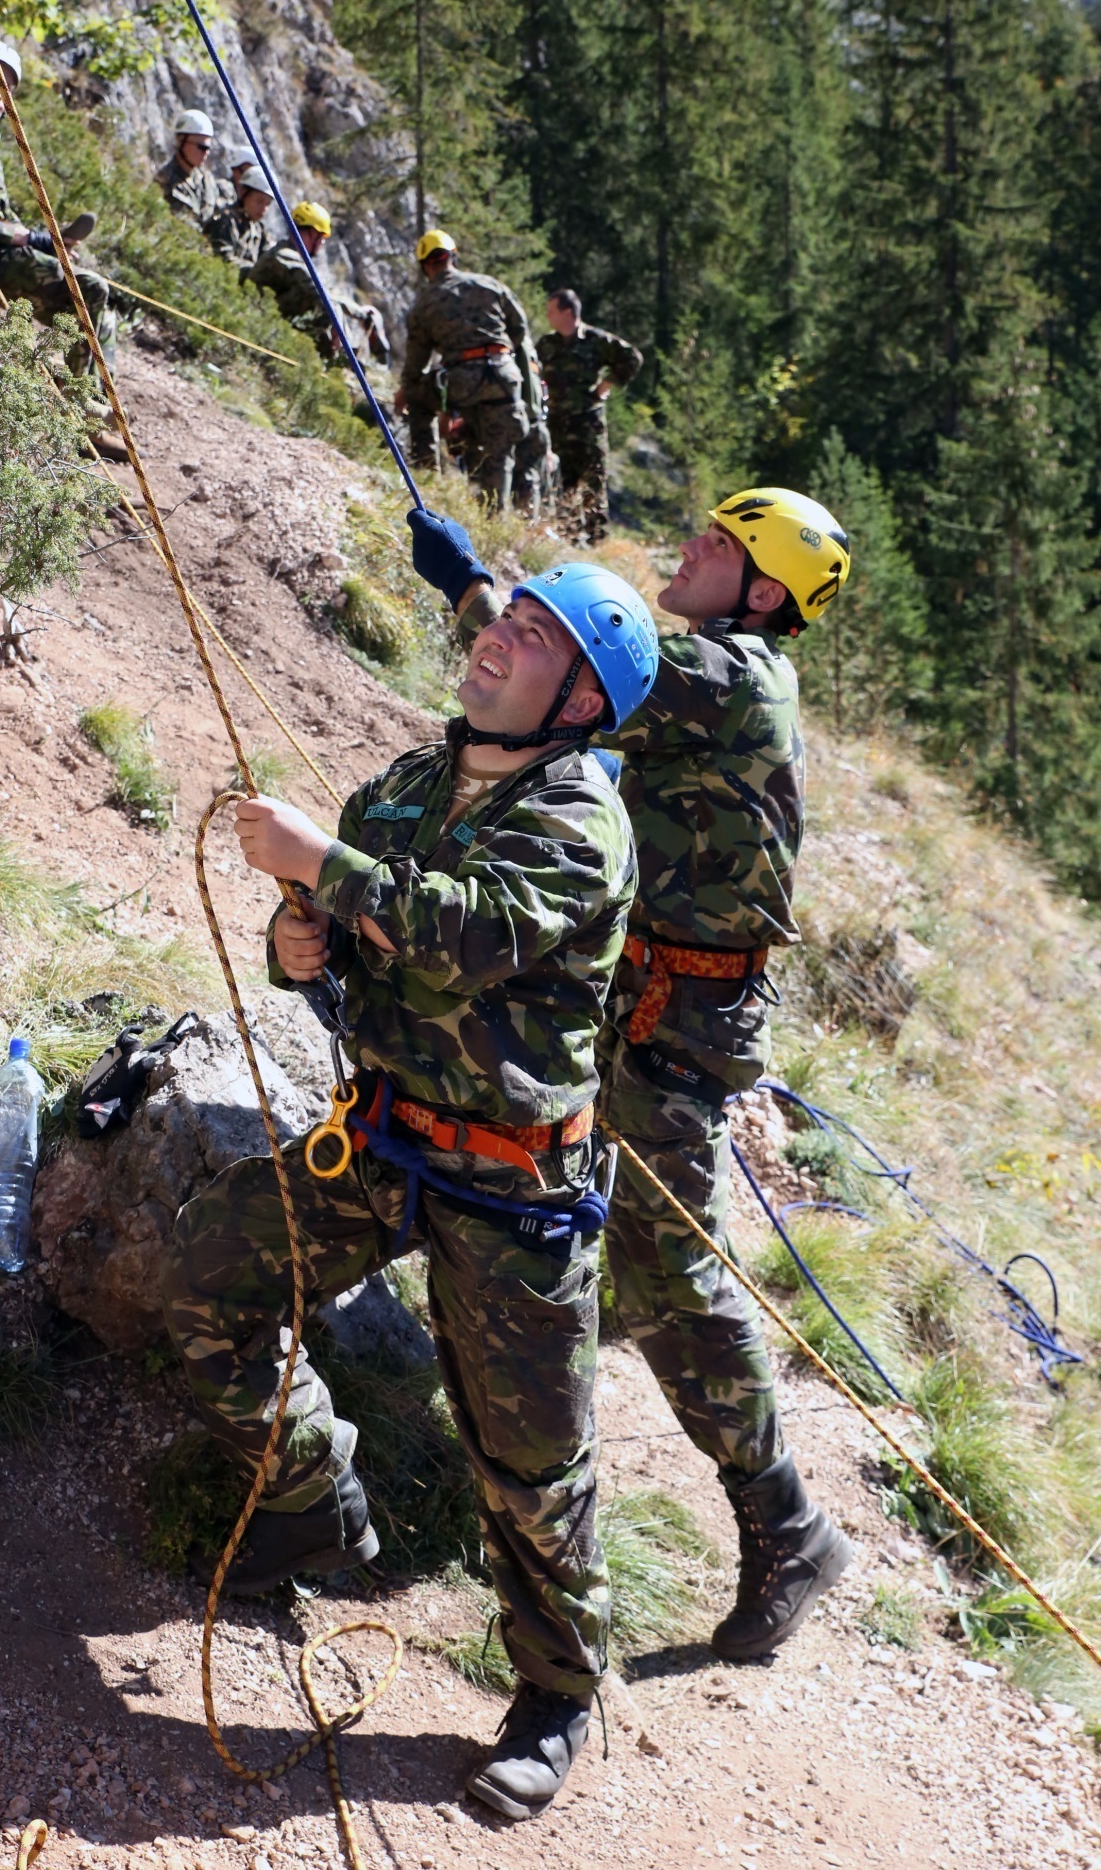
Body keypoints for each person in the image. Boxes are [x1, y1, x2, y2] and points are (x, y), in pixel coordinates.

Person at [163, 563, 661, 1823]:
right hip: (384, 1138)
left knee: (532, 1464)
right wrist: (298, 950)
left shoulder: (577, 821)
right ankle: (309, 1495)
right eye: (506, 616)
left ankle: (555, 1690)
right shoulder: (403, 787)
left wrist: (321, 868)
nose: (498, 637)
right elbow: (349, 963)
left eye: (537, 636)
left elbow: (456, 934)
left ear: (579, 700)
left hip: (511, 1187)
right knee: (210, 1270)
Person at [405, 489, 856, 1663]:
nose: (692, 546)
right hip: (648, 998)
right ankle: (540, 1441)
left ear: (762, 592)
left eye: (722, 545)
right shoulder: (717, 669)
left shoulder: (736, 673)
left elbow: (608, 669)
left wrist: (477, 594)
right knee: (615, 1241)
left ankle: (787, 1520)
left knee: (670, 1264)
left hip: (677, 1022)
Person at [0, 40, 116, 376]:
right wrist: (24, 238)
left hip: (1, 260)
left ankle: (99, 401)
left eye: (6, 88)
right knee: (90, 289)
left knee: (102, 309)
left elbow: (1, 211)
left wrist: (46, 245)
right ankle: (79, 399)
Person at [396, 231, 541, 510]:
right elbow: (519, 330)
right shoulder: (490, 285)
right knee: (500, 454)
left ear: (426, 265)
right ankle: (495, 521)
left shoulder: (425, 303)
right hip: (504, 377)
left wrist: (407, 390)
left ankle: (427, 482)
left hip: (461, 381)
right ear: (453, 257)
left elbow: (416, 363)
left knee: (417, 398)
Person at [537, 289, 642, 542]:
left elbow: (632, 358)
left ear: (568, 312)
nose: (548, 316)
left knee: (593, 480)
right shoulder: (546, 345)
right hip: (556, 425)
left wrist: (607, 384)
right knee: (563, 481)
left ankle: (597, 542)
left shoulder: (595, 340)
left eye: (552, 310)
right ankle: (567, 535)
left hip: (588, 424)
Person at [247, 200, 388, 364]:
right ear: (309, 233)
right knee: (317, 302)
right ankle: (331, 358)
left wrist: (360, 313)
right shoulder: (284, 255)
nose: (322, 244)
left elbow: (328, 293)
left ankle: (335, 357)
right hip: (257, 318)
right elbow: (315, 289)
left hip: (271, 317)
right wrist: (338, 321)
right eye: (320, 238)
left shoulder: (293, 256)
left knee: (328, 303)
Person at [154, 109, 228, 239]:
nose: (206, 153)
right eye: (201, 147)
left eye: (208, 149)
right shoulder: (164, 182)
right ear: (181, 141)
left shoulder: (207, 180)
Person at [210, 163, 273, 274]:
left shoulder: (260, 230)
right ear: (244, 193)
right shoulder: (225, 221)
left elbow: (269, 259)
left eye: (267, 204)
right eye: (259, 201)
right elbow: (222, 259)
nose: (263, 209)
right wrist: (254, 273)